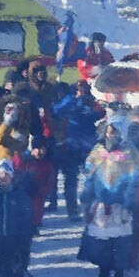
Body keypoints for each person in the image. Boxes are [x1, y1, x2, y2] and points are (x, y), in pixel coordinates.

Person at [78, 123, 139, 277]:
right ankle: (103, 273)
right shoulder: (98, 151)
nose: (110, 135)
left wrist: (129, 197)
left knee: (121, 242)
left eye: (114, 132)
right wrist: (87, 192)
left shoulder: (129, 152)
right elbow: (90, 174)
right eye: (108, 131)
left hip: (120, 205)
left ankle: (119, 275)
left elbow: (135, 177)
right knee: (101, 242)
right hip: (100, 204)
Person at [52, 81, 105, 219]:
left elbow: (100, 114)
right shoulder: (69, 100)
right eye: (80, 90)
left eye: (85, 90)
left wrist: (90, 103)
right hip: (70, 145)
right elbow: (57, 110)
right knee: (71, 179)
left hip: (88, 145)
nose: (82, 92)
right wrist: (74, 99)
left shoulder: (90, 102)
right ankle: (72, 210)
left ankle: (91, 208)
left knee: (92, 177)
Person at [0, 101, 33, 183]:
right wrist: (6, 123)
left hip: (17, 170)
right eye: (8, 110)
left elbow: (19, 145)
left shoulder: (22, 130)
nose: (11, 113)